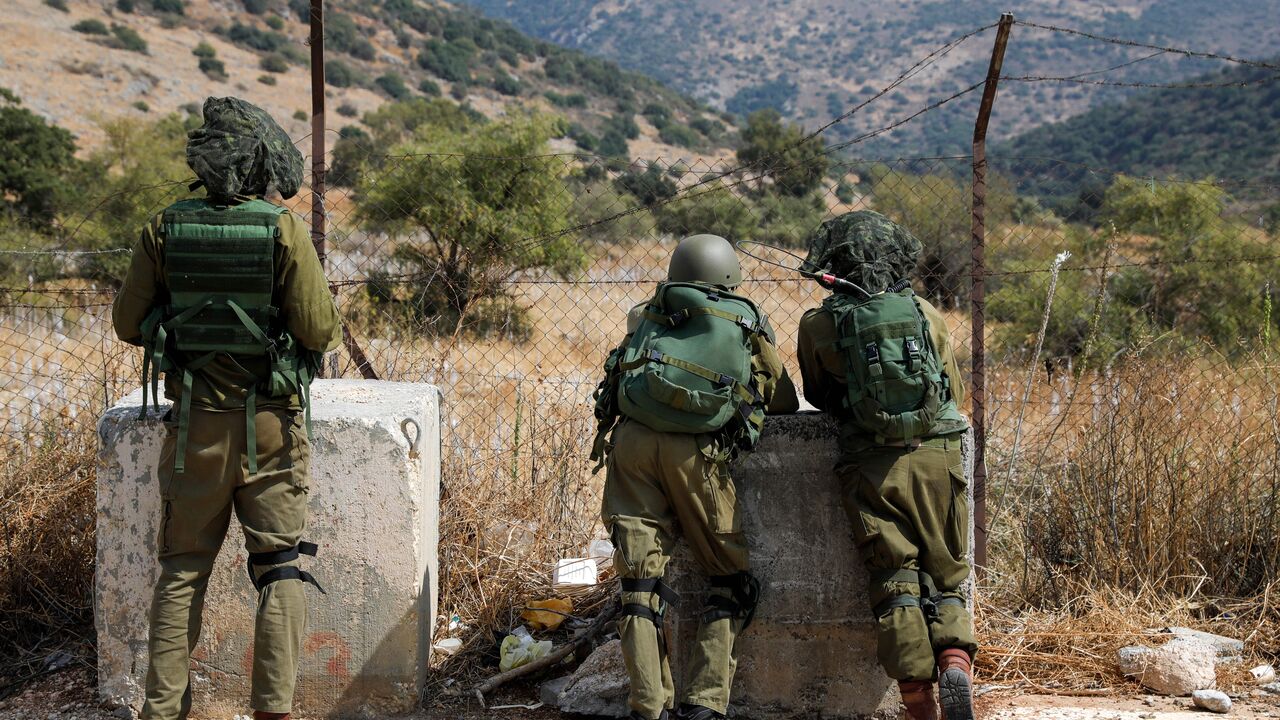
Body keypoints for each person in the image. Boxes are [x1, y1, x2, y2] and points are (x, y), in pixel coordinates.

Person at [112, 96, 341, 720]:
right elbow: (321, 333)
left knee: (183, 568)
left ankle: (162, 710)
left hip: (194, 431)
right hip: (270, 424)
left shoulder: (164, 227)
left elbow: (127, 324)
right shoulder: (283, 228)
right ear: (258, 163)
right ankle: (273, 709)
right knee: (279, 566)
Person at [590, 234, 798, 720]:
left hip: (634, 446)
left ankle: (649, 705)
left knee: (639, 587)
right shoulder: (744, 319)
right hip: (698, 457)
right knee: (730, 580)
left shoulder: (649, 313)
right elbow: (783, 399)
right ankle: (704, 703)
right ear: (729, 274)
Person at [795, 211, 977, 720]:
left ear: (836, 261)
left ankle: (918, 700)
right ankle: (956, 658)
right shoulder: (923, 311)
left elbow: (820, 395)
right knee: (945, 570)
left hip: (871, 465)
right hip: (938, 453)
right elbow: (952, 391)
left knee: (895, 579)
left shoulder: (819, 323)